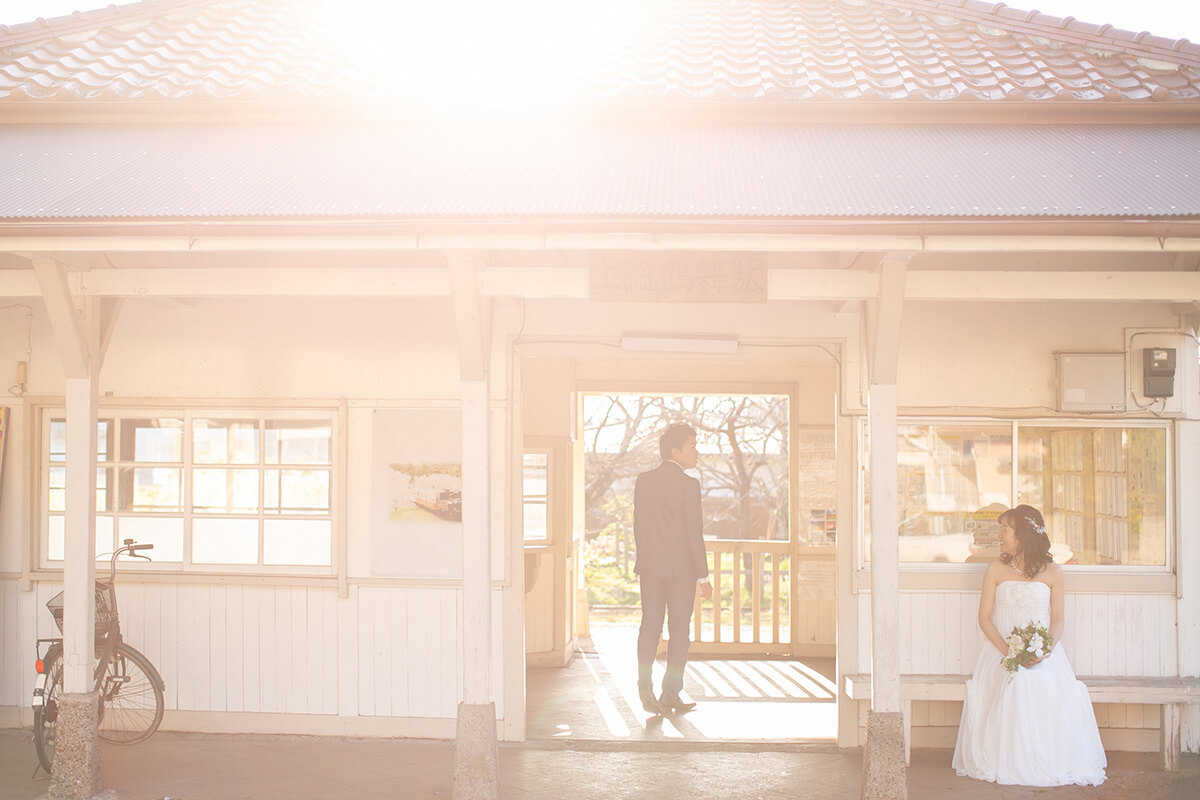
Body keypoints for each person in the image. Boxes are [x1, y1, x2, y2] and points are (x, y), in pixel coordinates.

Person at [952, 504, 1106, 786]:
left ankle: (1045, 758)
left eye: (1005, 529)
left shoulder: (1053, 572)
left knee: (1043, 682)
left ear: (1022, 534)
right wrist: (1010, 651)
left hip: (1043, 652)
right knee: (1016, 682)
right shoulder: (995, 569)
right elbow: (984, 619)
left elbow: (1057, 620)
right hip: (1001, 651)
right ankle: (1009, 759)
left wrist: (1043, 651)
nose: (999, 535)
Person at [633, 423, 713, 715]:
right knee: (679, 631)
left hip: (651, 567)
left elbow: (638, 527)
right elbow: (694, 532)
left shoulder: (643, 480)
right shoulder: (689, 485)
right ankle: (671, 694)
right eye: (692, 445)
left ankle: (645, 688)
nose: (697, 451)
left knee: (649, 627)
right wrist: (703, 576)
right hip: (682, 571)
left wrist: (647, 558)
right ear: (675, 451)